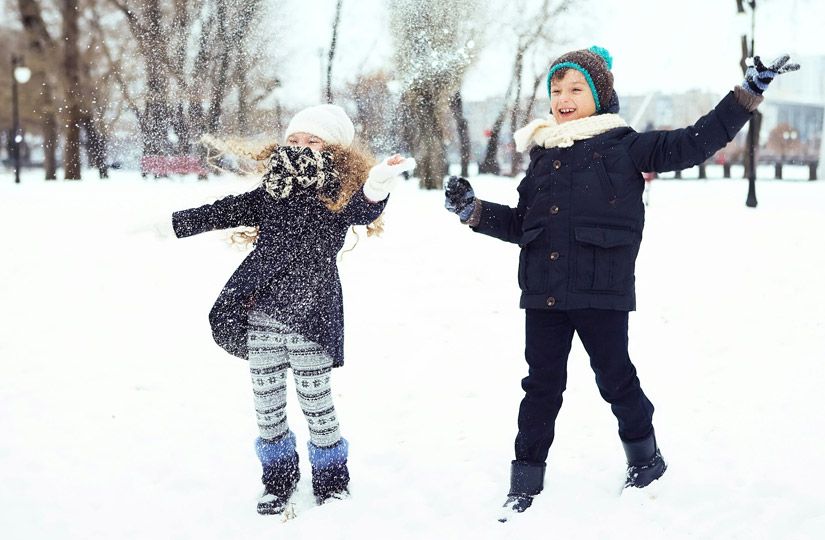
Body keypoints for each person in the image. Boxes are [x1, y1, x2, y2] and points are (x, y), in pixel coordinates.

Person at [444, 46, 798, 518]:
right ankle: (525, 480)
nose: (563, 98)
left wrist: (748, 92)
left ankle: (645, 461)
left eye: (575, 89)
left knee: (616, 380)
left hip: (600, 292)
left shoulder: (626, 146)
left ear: (599, 94)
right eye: (556, 90)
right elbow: (524, 225)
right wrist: (474, 212)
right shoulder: (543, 156)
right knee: (540, 388)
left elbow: (696, 141)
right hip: (544, 294)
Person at [172, 104, 415, 515]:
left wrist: (377, 182)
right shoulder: (271, 193)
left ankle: (332, 483)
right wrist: (171, 224)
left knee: (317, 406)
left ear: (334, 149)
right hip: (262, 317)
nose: (301, 147)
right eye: (294, 139)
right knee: (267, 408)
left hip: (311, 317)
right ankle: (278, 481)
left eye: (313, 140)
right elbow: (221, 211)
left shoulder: (337, 194)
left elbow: (365, 208)